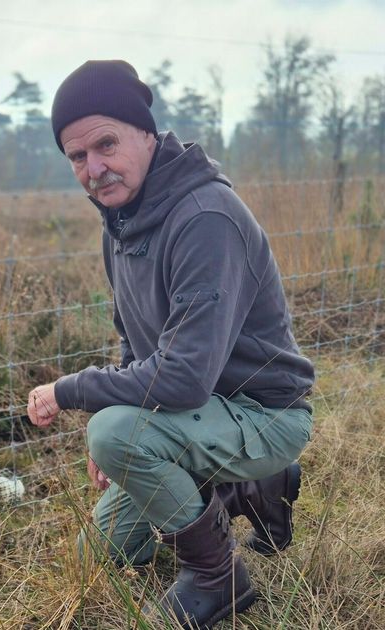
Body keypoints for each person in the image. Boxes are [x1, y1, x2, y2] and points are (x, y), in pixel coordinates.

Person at [26, 60, 315, 628]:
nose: (94, 168)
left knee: (114, 431)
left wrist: (76, 394)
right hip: (196, 418)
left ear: (146, 133)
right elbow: (135, 346)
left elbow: (181, 379)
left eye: (106, 144)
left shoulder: (205, 217)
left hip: (265, 415)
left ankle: (215, 577)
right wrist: (117, 427)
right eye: (77, 157)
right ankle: (243, 490)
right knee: (97, 557)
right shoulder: (122, 221)